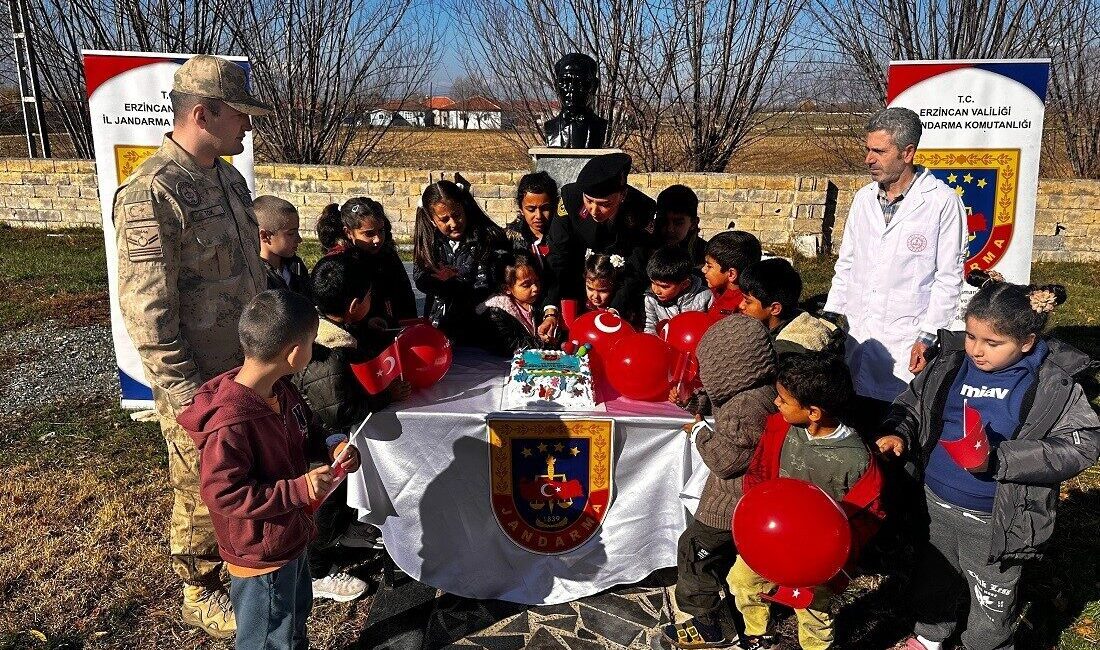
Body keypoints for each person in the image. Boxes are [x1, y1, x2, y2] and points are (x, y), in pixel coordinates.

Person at [112, 54, 270, 637]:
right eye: (240, 114)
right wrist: (184, 398)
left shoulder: (227, 179)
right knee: (201, 487)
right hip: (200, 379)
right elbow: (148, 313)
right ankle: (199, 589)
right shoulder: (153, 193)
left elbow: (249, 271)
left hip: (247, 364)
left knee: (245, 472)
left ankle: (245, 562)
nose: (248, 126)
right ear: (203, 113)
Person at [876, 270, 1100, 650]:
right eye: (971, 336)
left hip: (998, 517)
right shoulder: (949, 365)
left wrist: (1000, 460)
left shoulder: (1051, 384)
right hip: (935, 504)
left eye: (992, 343)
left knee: (992, 593)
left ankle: (988, 644)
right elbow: (913, 404)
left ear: (1027, 342)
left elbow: (1081, 443)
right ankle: (930, 635)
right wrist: (900, 432)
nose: (977, 350)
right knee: (935, 574)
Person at [180, 290, 362, 650]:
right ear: (294, 354)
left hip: (290, 537)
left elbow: (305, 427)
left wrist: (331, 444)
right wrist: (297, 490)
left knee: (294, 620)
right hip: (260, 557)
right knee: (266, 637)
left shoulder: (282, 390)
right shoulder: (230, 424)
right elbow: (222, 493)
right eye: (312, 341)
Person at [824, 106, 967, 429]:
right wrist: (832, 318)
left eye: (879, 151)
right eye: (867, 149)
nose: (868, 159)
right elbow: (847, 263)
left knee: (893, 428)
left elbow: (948, 279)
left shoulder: (942, 203)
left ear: (908, 152)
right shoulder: (863, 200)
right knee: (852, 423)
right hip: (857, 335)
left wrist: (928, 336)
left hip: (906, 339)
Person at [729, 353, 884, 650]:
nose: (776, 403)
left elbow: (869, 513)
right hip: (768, 540)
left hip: (815, 558)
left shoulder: (857, 459)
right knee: (743, 583)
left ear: (813, 412)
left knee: (814, 611)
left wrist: (837, 554)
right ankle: (758, 634)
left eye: (783, 400)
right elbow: (759, 471)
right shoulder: (780, 428)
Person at [662, 315, 777, 649]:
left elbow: (725, 462)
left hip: (729, 502)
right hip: (740, 498)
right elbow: (719, 404)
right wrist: (693, 401)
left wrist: (699, 432)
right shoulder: (752, 392)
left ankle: (708, 622)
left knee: (696, 552)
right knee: (715, 555)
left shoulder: (748, 406)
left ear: (729, 365)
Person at [539, 153, 657, 339]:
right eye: (589, 201)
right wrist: (551, 310)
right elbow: (559, 258)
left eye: (605, 204)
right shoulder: (570, 199)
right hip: (579, 280)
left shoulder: (641, 210)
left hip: (620, 287)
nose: (594, 210)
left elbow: (635, 266)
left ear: (623, 195)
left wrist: (616, 309)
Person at [413, 178, 510, 342]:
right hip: (441, 326)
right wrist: (436, 281)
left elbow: (488, 284)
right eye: (444, 219)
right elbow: (420, 277)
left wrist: (457, 283)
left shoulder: (487, 239)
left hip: (482, 326)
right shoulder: (429, 243)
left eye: (457, 215)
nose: (453, 223)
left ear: (464, 207)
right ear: (432, 220)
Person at [316, 197, 416, 327]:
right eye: (369, 234)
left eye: (381, 231)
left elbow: (405, 293)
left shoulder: (387, 253)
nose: (377, 239)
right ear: (348, 232)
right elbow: (338, 311)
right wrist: (365, 324)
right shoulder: (342, 264)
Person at [738, 258, 843, 357]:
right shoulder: (798, 317)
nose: (741, 305)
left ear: (775, 309)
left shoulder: (785, 352)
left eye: (748, 301)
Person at [475, 252, 547, 356]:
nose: (535, 288)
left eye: (537, 282)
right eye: (526, 285)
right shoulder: (496, 310)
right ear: (507, 288)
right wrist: (543, 343)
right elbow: (508, 345)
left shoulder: (540, 304)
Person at [643, 245, 712, 334]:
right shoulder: (651, 298)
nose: (656, 290)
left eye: (664, 287)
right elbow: (651, 326)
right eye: (653, 283)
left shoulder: (704, 297)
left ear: (684, 284)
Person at [544, 52, 608, 148]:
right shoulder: (550, 126)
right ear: (556, 86)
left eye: (580, 82)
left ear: (594, 86)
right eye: (565, 82)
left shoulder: (600, 126)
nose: (572, 89)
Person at [701, 230, 761, 322]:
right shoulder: (710, 292)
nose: (703, 269)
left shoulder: (745, 305)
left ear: (731, 274)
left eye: (709, 266)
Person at [255, 195, 309, 297]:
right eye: (291, 234)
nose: (299, 239)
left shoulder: (296, 266)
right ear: (265, 236)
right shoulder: (256, 277)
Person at [506, 171, 557, 270]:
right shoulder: (509, 241)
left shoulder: (563, 237)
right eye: (531, 209)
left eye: (545, 208)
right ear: (521, 209)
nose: (538, 216)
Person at [656, 184, 707, 266]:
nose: (670, 229)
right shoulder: (644, 249)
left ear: (693, 223)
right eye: (664, 221)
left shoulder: (706, 256)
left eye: (678, 223)